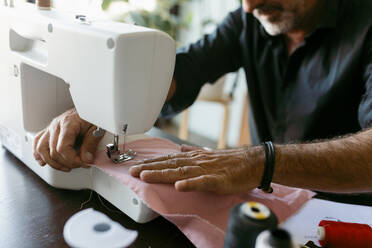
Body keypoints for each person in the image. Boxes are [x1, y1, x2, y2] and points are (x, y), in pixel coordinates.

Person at [33, 0, 372, 194]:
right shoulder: (246, 22)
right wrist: (97, 104)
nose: (250, 5)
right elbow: (183, 70)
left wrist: (259, 162)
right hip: (268, 197)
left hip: (347, 215)